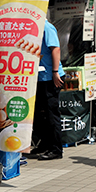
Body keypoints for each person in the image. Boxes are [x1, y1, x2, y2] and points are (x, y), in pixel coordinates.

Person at [32, 19, 64, 160]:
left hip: (50, 77)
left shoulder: (47, 27)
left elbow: (55, 48)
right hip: (39, 77)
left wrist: (55, 71)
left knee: (51, 114)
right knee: (40, 114)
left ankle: (56, 149)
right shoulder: (33, 26)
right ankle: (44, 144)